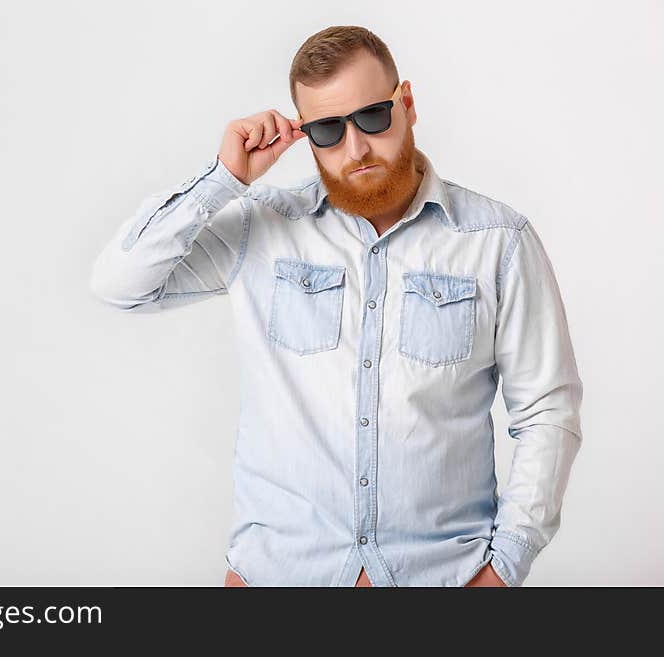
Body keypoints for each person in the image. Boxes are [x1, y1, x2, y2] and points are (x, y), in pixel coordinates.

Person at [89, 25, 583, 587]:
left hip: (442, 578)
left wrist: (505, 567)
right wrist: (224, 181)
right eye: (327, 129)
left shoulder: (498, 240)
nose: (357, 149)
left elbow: (547, 411)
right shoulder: (262, 228)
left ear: (408, 104)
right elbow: (118, 283)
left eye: (373, 116)